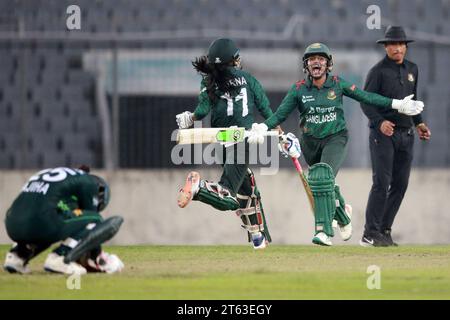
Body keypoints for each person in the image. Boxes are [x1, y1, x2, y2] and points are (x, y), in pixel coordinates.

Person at [247, 42, 424, 246]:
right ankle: (343, 214)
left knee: (323, 175)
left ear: (328, 65)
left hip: (335, 138)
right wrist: (262, 127)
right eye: (312, 59)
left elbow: (366, 96)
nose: (316, 62)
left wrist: (397, 104)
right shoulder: (298, 89)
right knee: (321, 182)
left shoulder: (338, 83)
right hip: (310, 142)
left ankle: (323, 230)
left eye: (321, 59)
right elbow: (279, 115)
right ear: (306, 65)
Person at [175, 38, 280, 249]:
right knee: (229, 196)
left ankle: (259, 237)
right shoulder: (248, 79)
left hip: (220, 140)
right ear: (234, 60)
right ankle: (199, 188)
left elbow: (203, 110)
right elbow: (265, 108)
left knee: (248, 187)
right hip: (241, 138)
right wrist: (277, 130)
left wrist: (190, 117)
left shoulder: (209, 80)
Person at [360, 26, 431, 247]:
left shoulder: (413, 69)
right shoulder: (377, 71)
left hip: (406, 133)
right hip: (383, 135)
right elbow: (365, 101)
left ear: (406, 47)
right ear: (386, 47)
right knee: (381, 182)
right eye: (393, 44)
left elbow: (412, 101)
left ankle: (384, 230)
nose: (397, 48)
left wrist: (419, 123)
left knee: (400, 184)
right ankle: (369, 233)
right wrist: (380, 122)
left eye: (401, 44)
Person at [3, 165, 124, 275]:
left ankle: (17, 256)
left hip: (11, 223)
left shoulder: (49, 174)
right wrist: (97, 256)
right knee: (94, 218)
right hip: (43, 222)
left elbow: (40, 205)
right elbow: (90, 220)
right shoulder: (90, 182)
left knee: (49, 222)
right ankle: (61, 258)